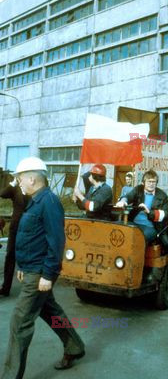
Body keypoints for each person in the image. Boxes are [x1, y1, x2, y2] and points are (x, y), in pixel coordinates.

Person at [1, 157, 85, 378]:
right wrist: (23, 265)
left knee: (19, 322)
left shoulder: (48, 202)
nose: (18, 183)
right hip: (32, 269)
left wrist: (48, 274)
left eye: (20, 179)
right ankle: (74, 346)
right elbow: (32, 237)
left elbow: (56, 241)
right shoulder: (35, 199)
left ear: (31, 178)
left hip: (40, 273)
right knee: (50, 311)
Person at [116, 169, 168, 249]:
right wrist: (123, 201)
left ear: (156, 183)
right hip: (133, 223)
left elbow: (167, 213)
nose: (151, 184)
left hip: (151, 227)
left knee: (139, 239)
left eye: (154, 182)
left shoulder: (162, 195)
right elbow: (129, 196)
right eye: (149, 181)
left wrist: (150, 212)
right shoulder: (138, 189)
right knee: (117, 230)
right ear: (144, 182)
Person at [0, 177, 29, 297]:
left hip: (30, 229)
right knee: (10, 256)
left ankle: (29, 288)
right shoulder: (15, 188)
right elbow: (2, 194)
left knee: (29, 257)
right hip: (15, 228)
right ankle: (5, 288)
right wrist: (12, 183)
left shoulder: (33, 188)